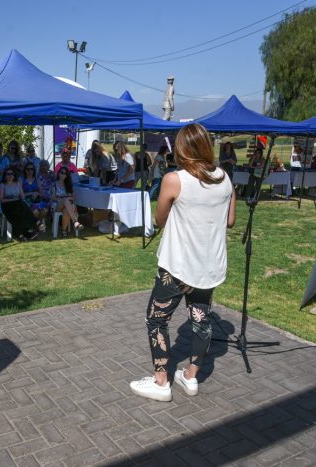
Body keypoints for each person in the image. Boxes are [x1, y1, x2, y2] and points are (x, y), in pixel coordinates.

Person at [129, 123, 236, 402]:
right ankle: (191, 376)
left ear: (182, 148)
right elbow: (231, 221)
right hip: (208, 265)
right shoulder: (225, 179)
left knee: (156, 319)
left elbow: (159, 219)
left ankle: (161, 381)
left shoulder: (175, 179)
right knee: (201, 320)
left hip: (177, 265)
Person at [0, 169, 41, 240]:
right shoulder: (2, 185)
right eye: (8, 174)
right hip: (7, 205)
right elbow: (1, 200)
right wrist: (14, 199)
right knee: (21, 205)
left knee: (21, 207)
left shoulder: (17, 183)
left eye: (11, 174)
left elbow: (23, 196)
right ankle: (35, 223)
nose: (10, 175)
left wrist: (31, 193)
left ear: (14, 175)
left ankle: (21, 233)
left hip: (17, 205)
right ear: (5, 176)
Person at [53, 168, 83, 238]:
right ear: (58, 173)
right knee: (66, 200)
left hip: (68, 206)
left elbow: (73, 197)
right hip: (58, 204)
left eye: (65, 173)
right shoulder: (54, 184)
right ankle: (75, 222)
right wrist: (63, 199)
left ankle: (63, 231)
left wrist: (67, 199)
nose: (63, 174)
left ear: (67, 175)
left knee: (66, 210)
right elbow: (52, 197)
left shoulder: (69, 185)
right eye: (61, 172)